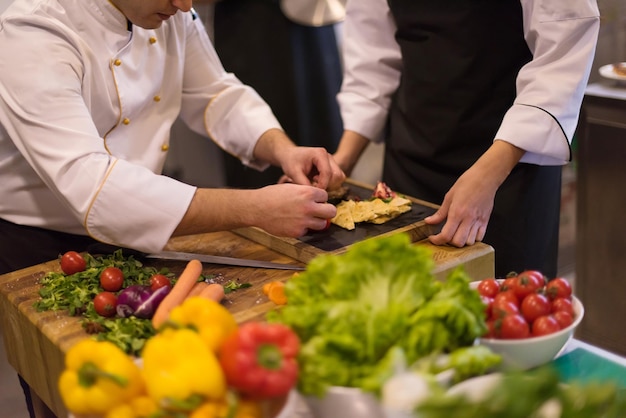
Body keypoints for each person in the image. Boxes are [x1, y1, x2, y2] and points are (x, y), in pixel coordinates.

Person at [0, 0, 344, 416]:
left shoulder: (167, 10)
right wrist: (253, 208)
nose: (185, 6)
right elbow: (92, 182)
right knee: (77, 397)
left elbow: (216, 93)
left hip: (143, 227)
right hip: (43, 248)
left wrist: (283, 150)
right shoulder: (30, 27)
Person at [332, 0, 600, 278]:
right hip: (411, 162)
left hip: (509, 165)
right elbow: (371, 63)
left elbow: (563, 48)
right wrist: (343, 161)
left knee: (503, 310)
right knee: (404, 302)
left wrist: (490, 173)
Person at [210, 0, 344, 188]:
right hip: (252, 32)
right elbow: (216, 99)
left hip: (313, 26)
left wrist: (287, 152)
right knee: (264, 183)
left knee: (322, 130)